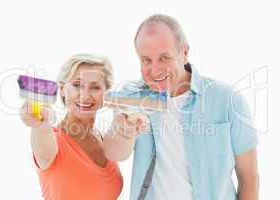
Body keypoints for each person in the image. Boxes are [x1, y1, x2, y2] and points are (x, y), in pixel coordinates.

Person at [104, 14, 259, 200]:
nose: (155, 70)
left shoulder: (228, 100)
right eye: (146, 60)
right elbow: (115, 153)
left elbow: (249, 177)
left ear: (184, 53)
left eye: (164, 58)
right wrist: (125, 129)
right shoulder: (132, 98)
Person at [20, 54, 123, 200]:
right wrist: (41, 124)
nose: (85, 95)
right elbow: (44, 153)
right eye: (77, 85)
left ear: (106, 93)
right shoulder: (54, 140)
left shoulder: (105, 140)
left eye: (95, 87)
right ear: (62, 89)